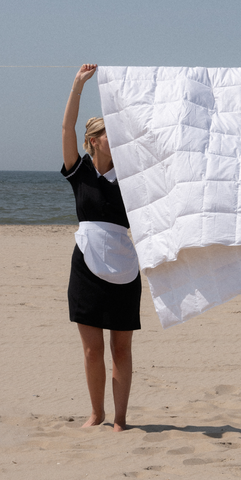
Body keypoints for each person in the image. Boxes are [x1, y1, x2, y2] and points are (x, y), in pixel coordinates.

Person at [61, 63, 141, 431]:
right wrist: (78, 86)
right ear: (93, 140)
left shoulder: (132, 176)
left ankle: (120, 419)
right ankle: (96, 414)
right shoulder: (80, 172)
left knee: (121, 349)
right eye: (109, 133)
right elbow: (66, 129)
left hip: (125, 268)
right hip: (87, 269)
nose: (116, 139)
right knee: (92, 350)